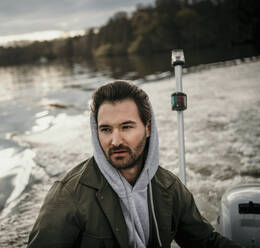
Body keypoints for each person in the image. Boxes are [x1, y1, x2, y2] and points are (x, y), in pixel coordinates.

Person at [27, 80, 242, 248]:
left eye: (127, 127)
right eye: (106, 129)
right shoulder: (69, 196)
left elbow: (205, 243)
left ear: (147, 128)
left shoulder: (169, 188)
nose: (116, 140)